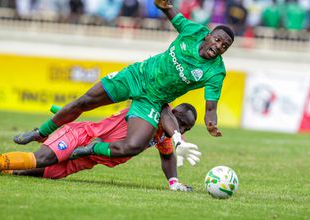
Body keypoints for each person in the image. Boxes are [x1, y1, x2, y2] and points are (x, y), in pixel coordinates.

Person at [14, 0, 234, 165]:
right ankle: (40, 133)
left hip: (152, 100)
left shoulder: (216, 72)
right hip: (135, 76)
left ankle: (91, 148)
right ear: (208, 35)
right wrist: (162, 4)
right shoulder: (194, 30)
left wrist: (211, 124)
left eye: (224, 46)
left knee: (134, 146)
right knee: (84, 102)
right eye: (218, 40)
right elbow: (168, 9)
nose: (219, 46)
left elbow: (211, 108)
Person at [0, 103, 199, 191]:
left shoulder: (162, 137)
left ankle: (6, 166)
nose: (180, 129)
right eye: (179, 122)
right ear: (172, 114)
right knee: (41, 158)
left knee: (32, 171)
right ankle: (40, 135)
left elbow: (167, 157)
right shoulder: (153, 109)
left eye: (186, 128)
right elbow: (164, 109)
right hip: (81, 137)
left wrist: (174, 183)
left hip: (86, 160)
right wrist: (177, 135)